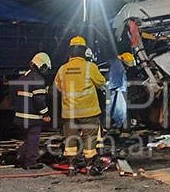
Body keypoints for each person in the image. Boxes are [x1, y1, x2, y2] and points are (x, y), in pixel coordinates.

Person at [54, 35, 106, 173]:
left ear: (70, 51)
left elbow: (58, 87)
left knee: (70, 139)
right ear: (84, 50)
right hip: (89, 112)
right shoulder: (90, 67)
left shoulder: (62, 69)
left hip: (69, 112)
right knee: (90, 138)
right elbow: (101, 82)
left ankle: (71, 167)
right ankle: (89, 166)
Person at [11, 52, 52, 169]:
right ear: (42, 66)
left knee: (27, 139)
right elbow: (39, 100)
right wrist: (45, 114)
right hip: (32, 118)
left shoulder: (22, 77)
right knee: (33, 139)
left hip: (20, 117)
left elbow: (14, 97)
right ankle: (30, 162)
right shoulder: (38, 80)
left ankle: (21, 157)